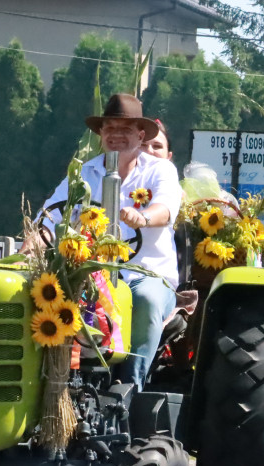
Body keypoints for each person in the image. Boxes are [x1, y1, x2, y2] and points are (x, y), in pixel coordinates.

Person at [41, 94, 182, 390]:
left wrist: (142, 217)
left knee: (145, 301)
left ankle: (129, 389)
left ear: (140, 135)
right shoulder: (82, 173)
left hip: (146, 275)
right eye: (110, 128)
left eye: (126, 129)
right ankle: (56, 386)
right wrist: (36, 236)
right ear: (101, 134)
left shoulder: (160, 170)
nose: (117, 135)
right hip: (90, 277)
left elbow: (167, 209)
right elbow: (51, 213)